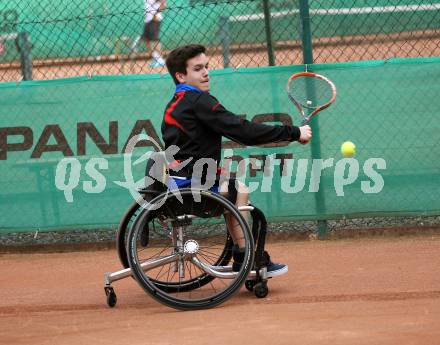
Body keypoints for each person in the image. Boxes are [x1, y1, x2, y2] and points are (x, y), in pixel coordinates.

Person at [161, 44, 312, 277]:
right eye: (198, 69)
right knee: (239, 189)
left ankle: (243, 255)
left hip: (177, 184)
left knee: (230, 186)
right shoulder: (199, 101)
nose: (205, 73)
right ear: (181, 75)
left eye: (207, 67)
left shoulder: (176, 102)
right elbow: (244, 131)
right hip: (193, 188)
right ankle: (248, 257)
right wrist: (293, 133)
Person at [141, 0, 166, 68]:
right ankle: (155, 58)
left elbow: (163, 4)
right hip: (147, 19)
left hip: (155, 19)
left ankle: (161, 60)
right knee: (146, 40)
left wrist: (155, 14)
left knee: (155, 39)